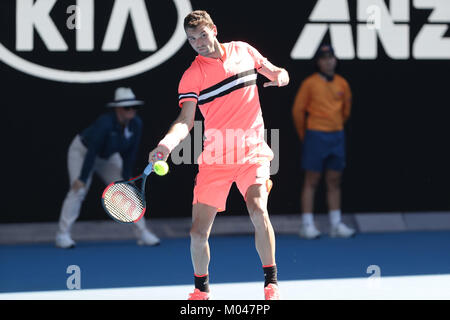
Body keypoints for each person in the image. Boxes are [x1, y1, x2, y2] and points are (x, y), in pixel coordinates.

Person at [147, 10, 289, 300]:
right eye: (191, 39)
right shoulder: (192, 76)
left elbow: (276, 71)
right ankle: (201, 290)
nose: (198, 42)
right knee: (197, 234)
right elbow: (185, 120)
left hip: (252, 152)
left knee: (258, 208)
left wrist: (281, 77)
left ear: (213, 29)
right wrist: (166, 145)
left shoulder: (244, 51)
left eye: (202, 34)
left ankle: (271, 283)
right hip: (216, 160)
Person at [56, 87, 160, 248]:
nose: (132, 111)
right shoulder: (104, 124)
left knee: (128, 191)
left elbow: (130, 154)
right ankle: (62, 235)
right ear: (118, 109)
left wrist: (126, 178)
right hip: (83, 152)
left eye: (135, 107)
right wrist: (82, 178)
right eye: (127, 107)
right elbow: (92, 151)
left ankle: (143, 233)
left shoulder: (137, 124)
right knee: (78, 190)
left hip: (108, 156)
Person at [292, 44, 355, 239]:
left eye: (331, 57)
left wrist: (336, 125)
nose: (328, 61)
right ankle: (307, 224)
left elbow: (346, 110)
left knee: (334, 180)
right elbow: (297, 111)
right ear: (318, 62)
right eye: (324, 58)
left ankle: (336, 224)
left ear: (335, 60)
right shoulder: (310, 83)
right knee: (312, 180)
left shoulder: (342, 83)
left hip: (336, 136)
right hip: (315, 135)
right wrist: (306, 134)